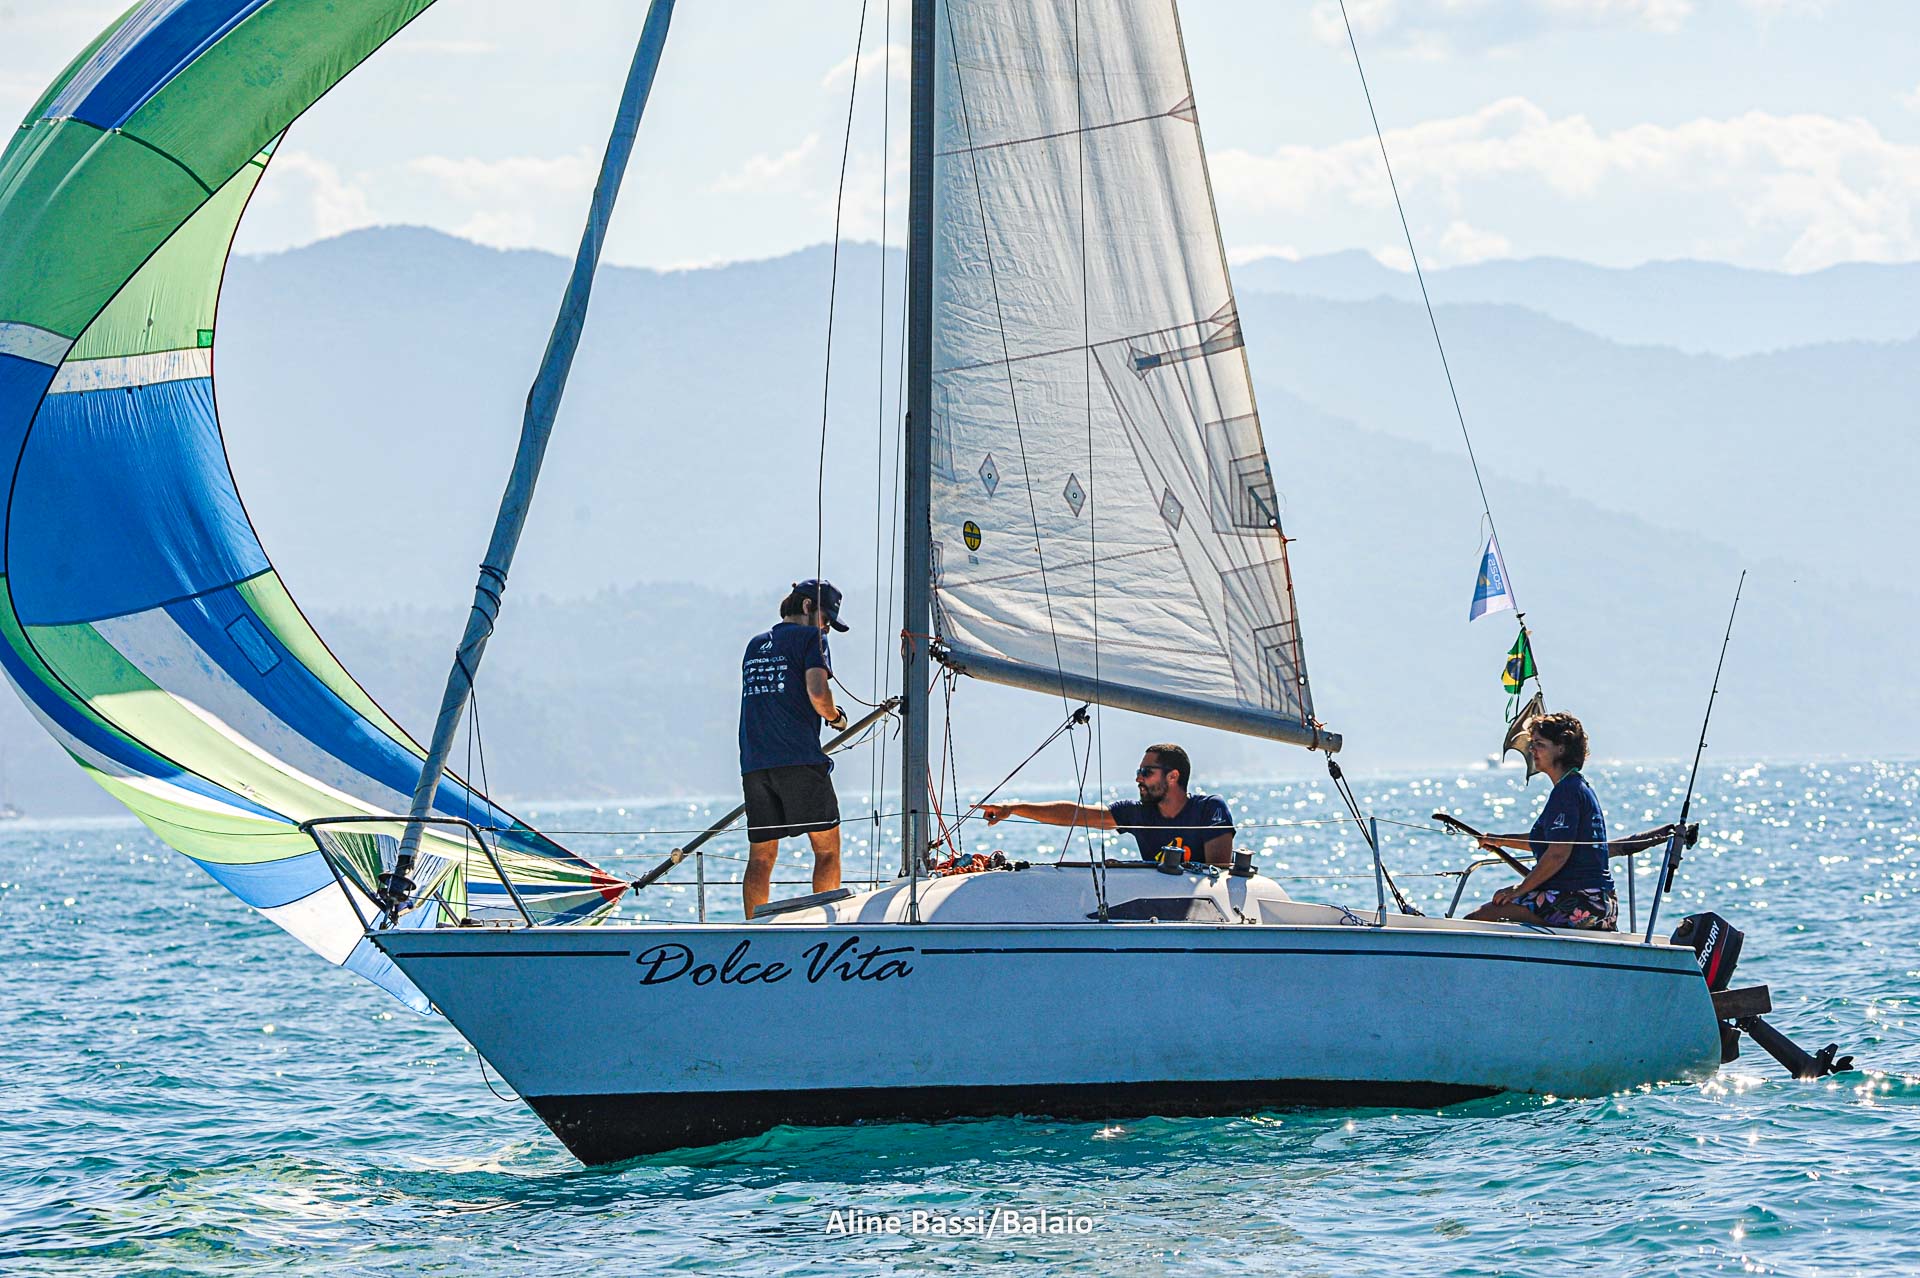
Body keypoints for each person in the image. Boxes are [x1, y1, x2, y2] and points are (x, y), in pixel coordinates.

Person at [739, 579, 850, 918]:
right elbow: (817, 692)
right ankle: (826, 925)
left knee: (761, 857)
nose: (826, 627)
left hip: (755, 764)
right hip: (799, 759)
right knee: (827, 850)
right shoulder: (812, 639)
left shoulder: (755, 645)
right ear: (806, 606)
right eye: (826, 618)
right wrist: (836, 718)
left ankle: (754, 929)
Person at [1466, 712, 1618, 930]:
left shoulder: (1567, 792)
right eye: (1532, 744)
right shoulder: (1574, 786)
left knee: (1479, 918)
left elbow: (1557, 853)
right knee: (1502, 906)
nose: (1532, 750)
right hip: (1599, 901)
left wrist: (1519, 890)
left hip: (1581, 901)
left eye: (1540, 744)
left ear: (1561, 748)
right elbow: (1547, 841)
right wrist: (1501, 840)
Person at [979, 743, 1235, 867]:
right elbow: (1075, 814)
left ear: (1173, 776)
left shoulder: (1210, 809)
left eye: (1146, 772)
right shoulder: (1136, 813)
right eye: (1138, 772)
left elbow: (1218, 874)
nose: (1138, 778)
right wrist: (1013, 808)